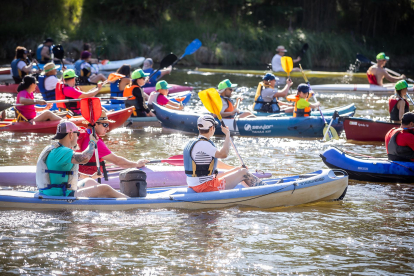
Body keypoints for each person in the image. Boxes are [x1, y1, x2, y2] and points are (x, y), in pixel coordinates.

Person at [36, 121, 128, 198]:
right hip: (60, 195)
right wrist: (92, 142)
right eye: (78, 134)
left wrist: (91, 176)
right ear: (71, 134)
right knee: (105, 188)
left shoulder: (55, 149)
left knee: (90, 181)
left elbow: (69, 172)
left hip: (53, 191)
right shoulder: (63, 151)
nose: (78, 137)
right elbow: (84, 158)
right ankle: (130, 201)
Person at [183, 114, 265, 193]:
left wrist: (236, 169)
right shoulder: (204, 144)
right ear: (212, 128)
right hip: (206, 187)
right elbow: (224, 154)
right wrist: (227, 135)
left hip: (196, 185)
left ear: (198, 127)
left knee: (240, 171)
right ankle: (264, 190)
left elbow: (215, 163)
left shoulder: (193, 142)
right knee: (243, 172)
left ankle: (253, 191)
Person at [77, 110, 150, 179]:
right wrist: (136, 164)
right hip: (92, 178)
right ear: (95, 124)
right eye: (105, 125)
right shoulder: (96, 141)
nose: (108, 128)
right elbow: (117, 161)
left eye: (108, 125)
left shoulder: (85, 133)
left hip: (82, 175)